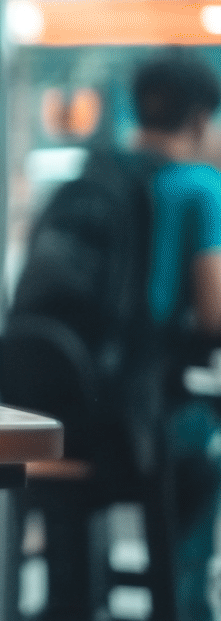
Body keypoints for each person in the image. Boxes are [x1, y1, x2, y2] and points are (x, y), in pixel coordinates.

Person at [131, 47, 221, 620]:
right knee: (207, 449)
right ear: (197, 121)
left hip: (76, 415)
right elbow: (216, 314)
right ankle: (184, 601)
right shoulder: (198, 187)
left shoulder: (97, 176)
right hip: (153, 418)